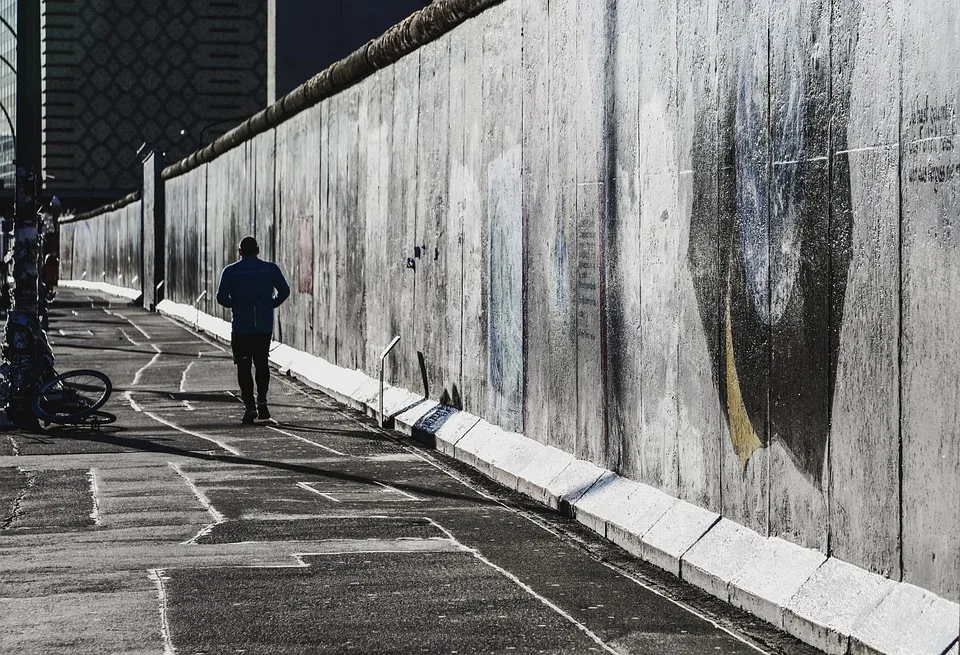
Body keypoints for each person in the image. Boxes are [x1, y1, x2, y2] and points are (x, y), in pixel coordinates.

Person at [216, 236, 290, 424]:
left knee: (243, 366)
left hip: (241, 327)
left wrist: (236, 304)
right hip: (263, 326)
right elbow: (285, 291)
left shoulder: (230, 271)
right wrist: (270, 304)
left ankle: (249, 406)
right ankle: (262, 401)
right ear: (257, 250)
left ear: (240, 251)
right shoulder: (269, 269)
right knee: (262, 363)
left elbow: (221, 298)